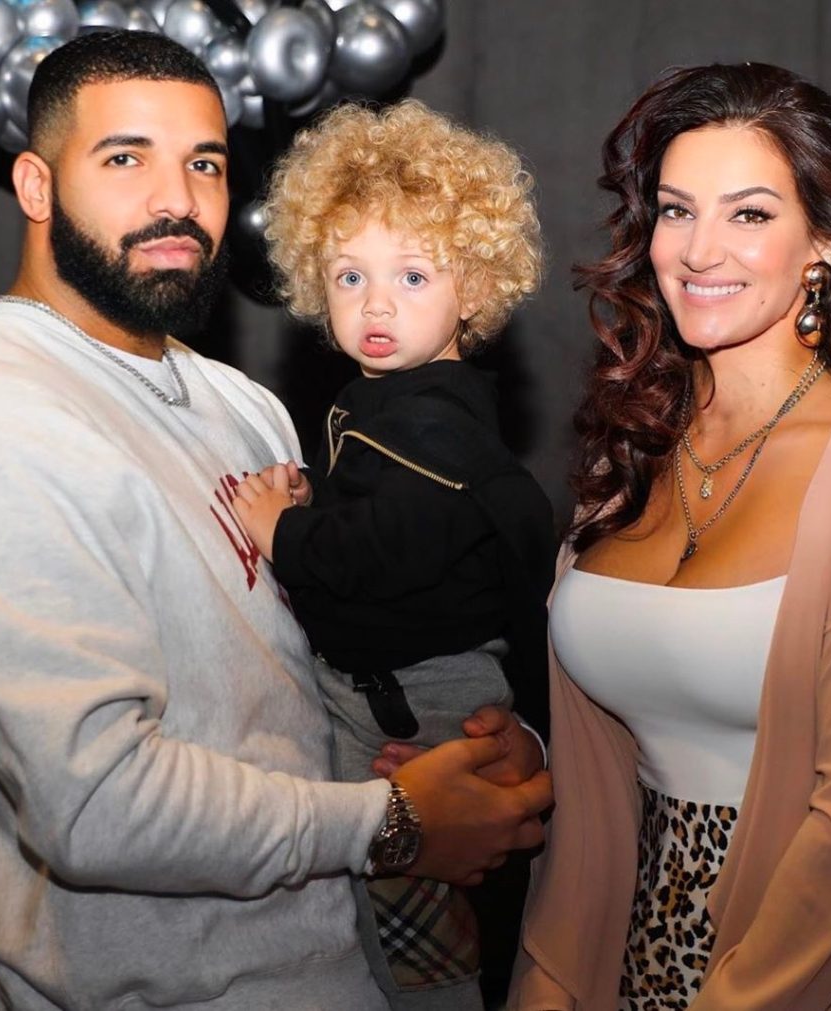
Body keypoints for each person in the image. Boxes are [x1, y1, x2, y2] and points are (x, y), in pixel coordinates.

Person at [0, 30, 552, 1011]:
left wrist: (481, 743)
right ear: (36, 185)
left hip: (351, 966)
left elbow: (333, 648)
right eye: (125, 157)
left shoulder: (239, 403)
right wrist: (392, 823)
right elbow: (95, 808)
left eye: (205, 163)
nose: (176, 199)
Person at [509, 62, 831, 1010]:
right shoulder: (627, 457)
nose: (700, 249)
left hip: (830, 971)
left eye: (749, 214)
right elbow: (597, 781)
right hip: (624, 958)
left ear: (826, 245)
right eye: (677, 211)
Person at [230, 99, 556, 1009]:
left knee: (415, 947)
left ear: (475, 289)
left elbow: (377, 552)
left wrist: (281, 530)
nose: (376, 304)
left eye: (414, 276)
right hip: (392, 687)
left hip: (418, 705)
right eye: (348, 276)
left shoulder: (436, 418)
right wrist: (316, 494)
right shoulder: (387, 403)